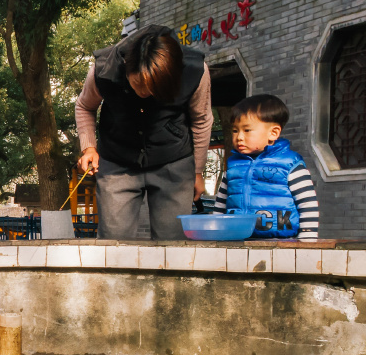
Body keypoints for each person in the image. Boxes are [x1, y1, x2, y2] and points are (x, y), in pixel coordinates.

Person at [75, 24, 213, 240]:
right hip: (117, 160)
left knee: (172, 243)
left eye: (155, 88)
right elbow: (84, 106)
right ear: (127, 67)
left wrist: (197, 171)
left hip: (174, 160)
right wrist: (89, 147)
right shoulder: (103, 69)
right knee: (113, 242)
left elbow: (202, 119)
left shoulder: (195, 70)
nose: (145, 93)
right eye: (139, 84)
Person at [216, 95, 319, 240]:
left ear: (273, 133)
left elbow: (307, 203)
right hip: (237, 240)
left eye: (247, 130)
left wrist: (308, 237)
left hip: (283, 242)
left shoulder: (290, 164)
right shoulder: (234, 166)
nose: (239, 137)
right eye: (235, 130)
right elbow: (221, 204)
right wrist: (215, 232)